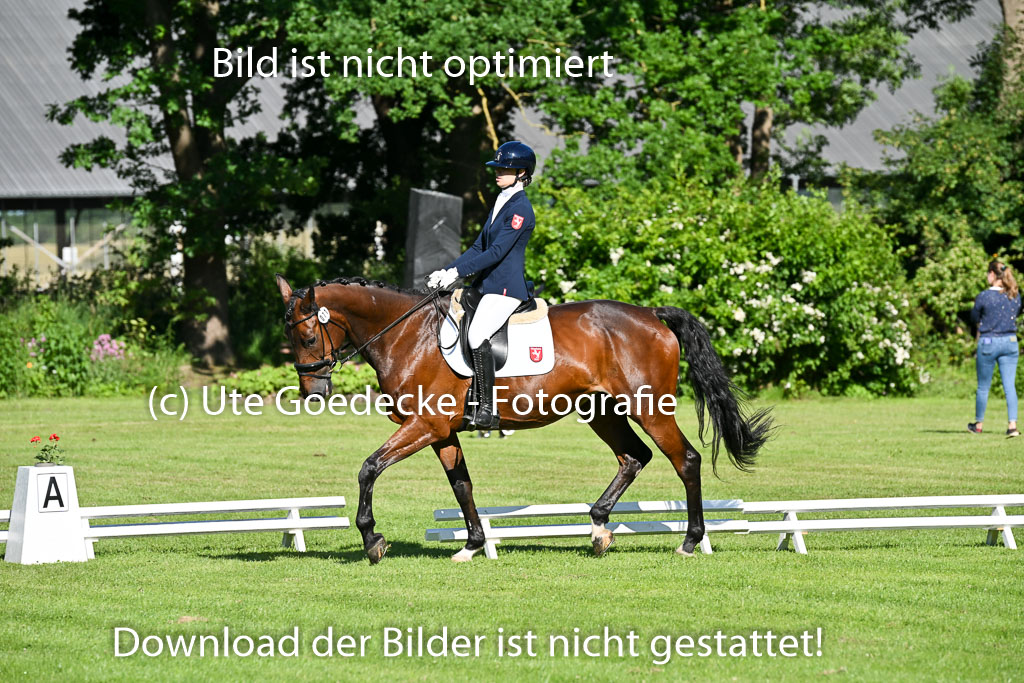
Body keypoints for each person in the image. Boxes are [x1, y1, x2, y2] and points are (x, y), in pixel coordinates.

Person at [427, 141, 537, 430]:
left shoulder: (520, 209)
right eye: (497, 168)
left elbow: (497, 252)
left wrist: (457, 273)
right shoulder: (502, 201)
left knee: (477, 335)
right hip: (486, 285)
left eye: (504, 169)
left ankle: (488, 408)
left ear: (522, 173)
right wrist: (448, 270)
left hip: (505, 288)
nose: (498, 172)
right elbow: (479, 247)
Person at [968, 260, 1021, 437]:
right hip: (1010, 341)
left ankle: (978, 424)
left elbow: (974, 318)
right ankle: (1012, 426)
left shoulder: (984, 296)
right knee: (1009, 386)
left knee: (983, 387)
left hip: (989, 342)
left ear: (992, 274)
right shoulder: (1014, 295)